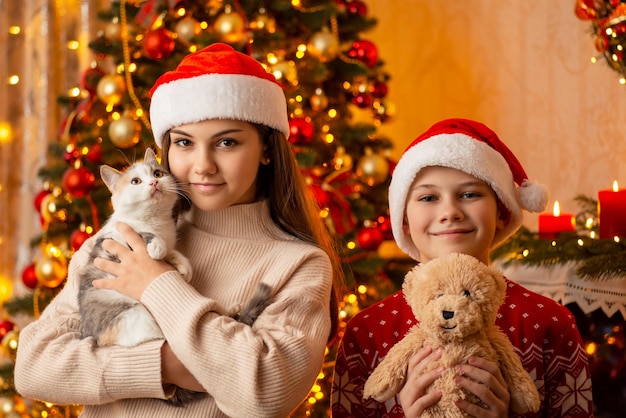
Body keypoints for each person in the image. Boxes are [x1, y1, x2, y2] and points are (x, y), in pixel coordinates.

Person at [15, 43, 345, 417]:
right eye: (185, 143)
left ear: (267, 148)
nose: (202, 166)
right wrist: (163, 365)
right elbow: (32, 366)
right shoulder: (124, 240)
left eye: (226, 142)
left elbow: (264, 393)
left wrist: (157, 283)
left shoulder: (299, 264)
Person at [331, 118, 593, 417]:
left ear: (502, 213)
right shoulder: (365, 332)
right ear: (403, 221)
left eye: (469, 194)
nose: (450, 212)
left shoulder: (551, 324)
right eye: (428, 198)